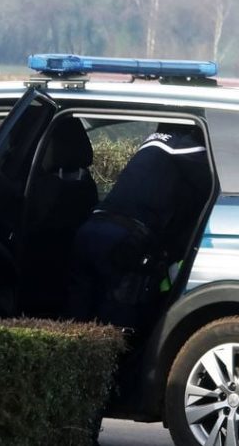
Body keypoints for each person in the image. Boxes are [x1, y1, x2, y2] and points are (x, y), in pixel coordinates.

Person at [68, 123, 211, 333]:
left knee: (76, 312)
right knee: (116, 320)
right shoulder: (183, 146)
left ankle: (67, 358)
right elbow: (219, 180)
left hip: (91, 229)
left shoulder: (151, 143)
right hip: (123, 239)